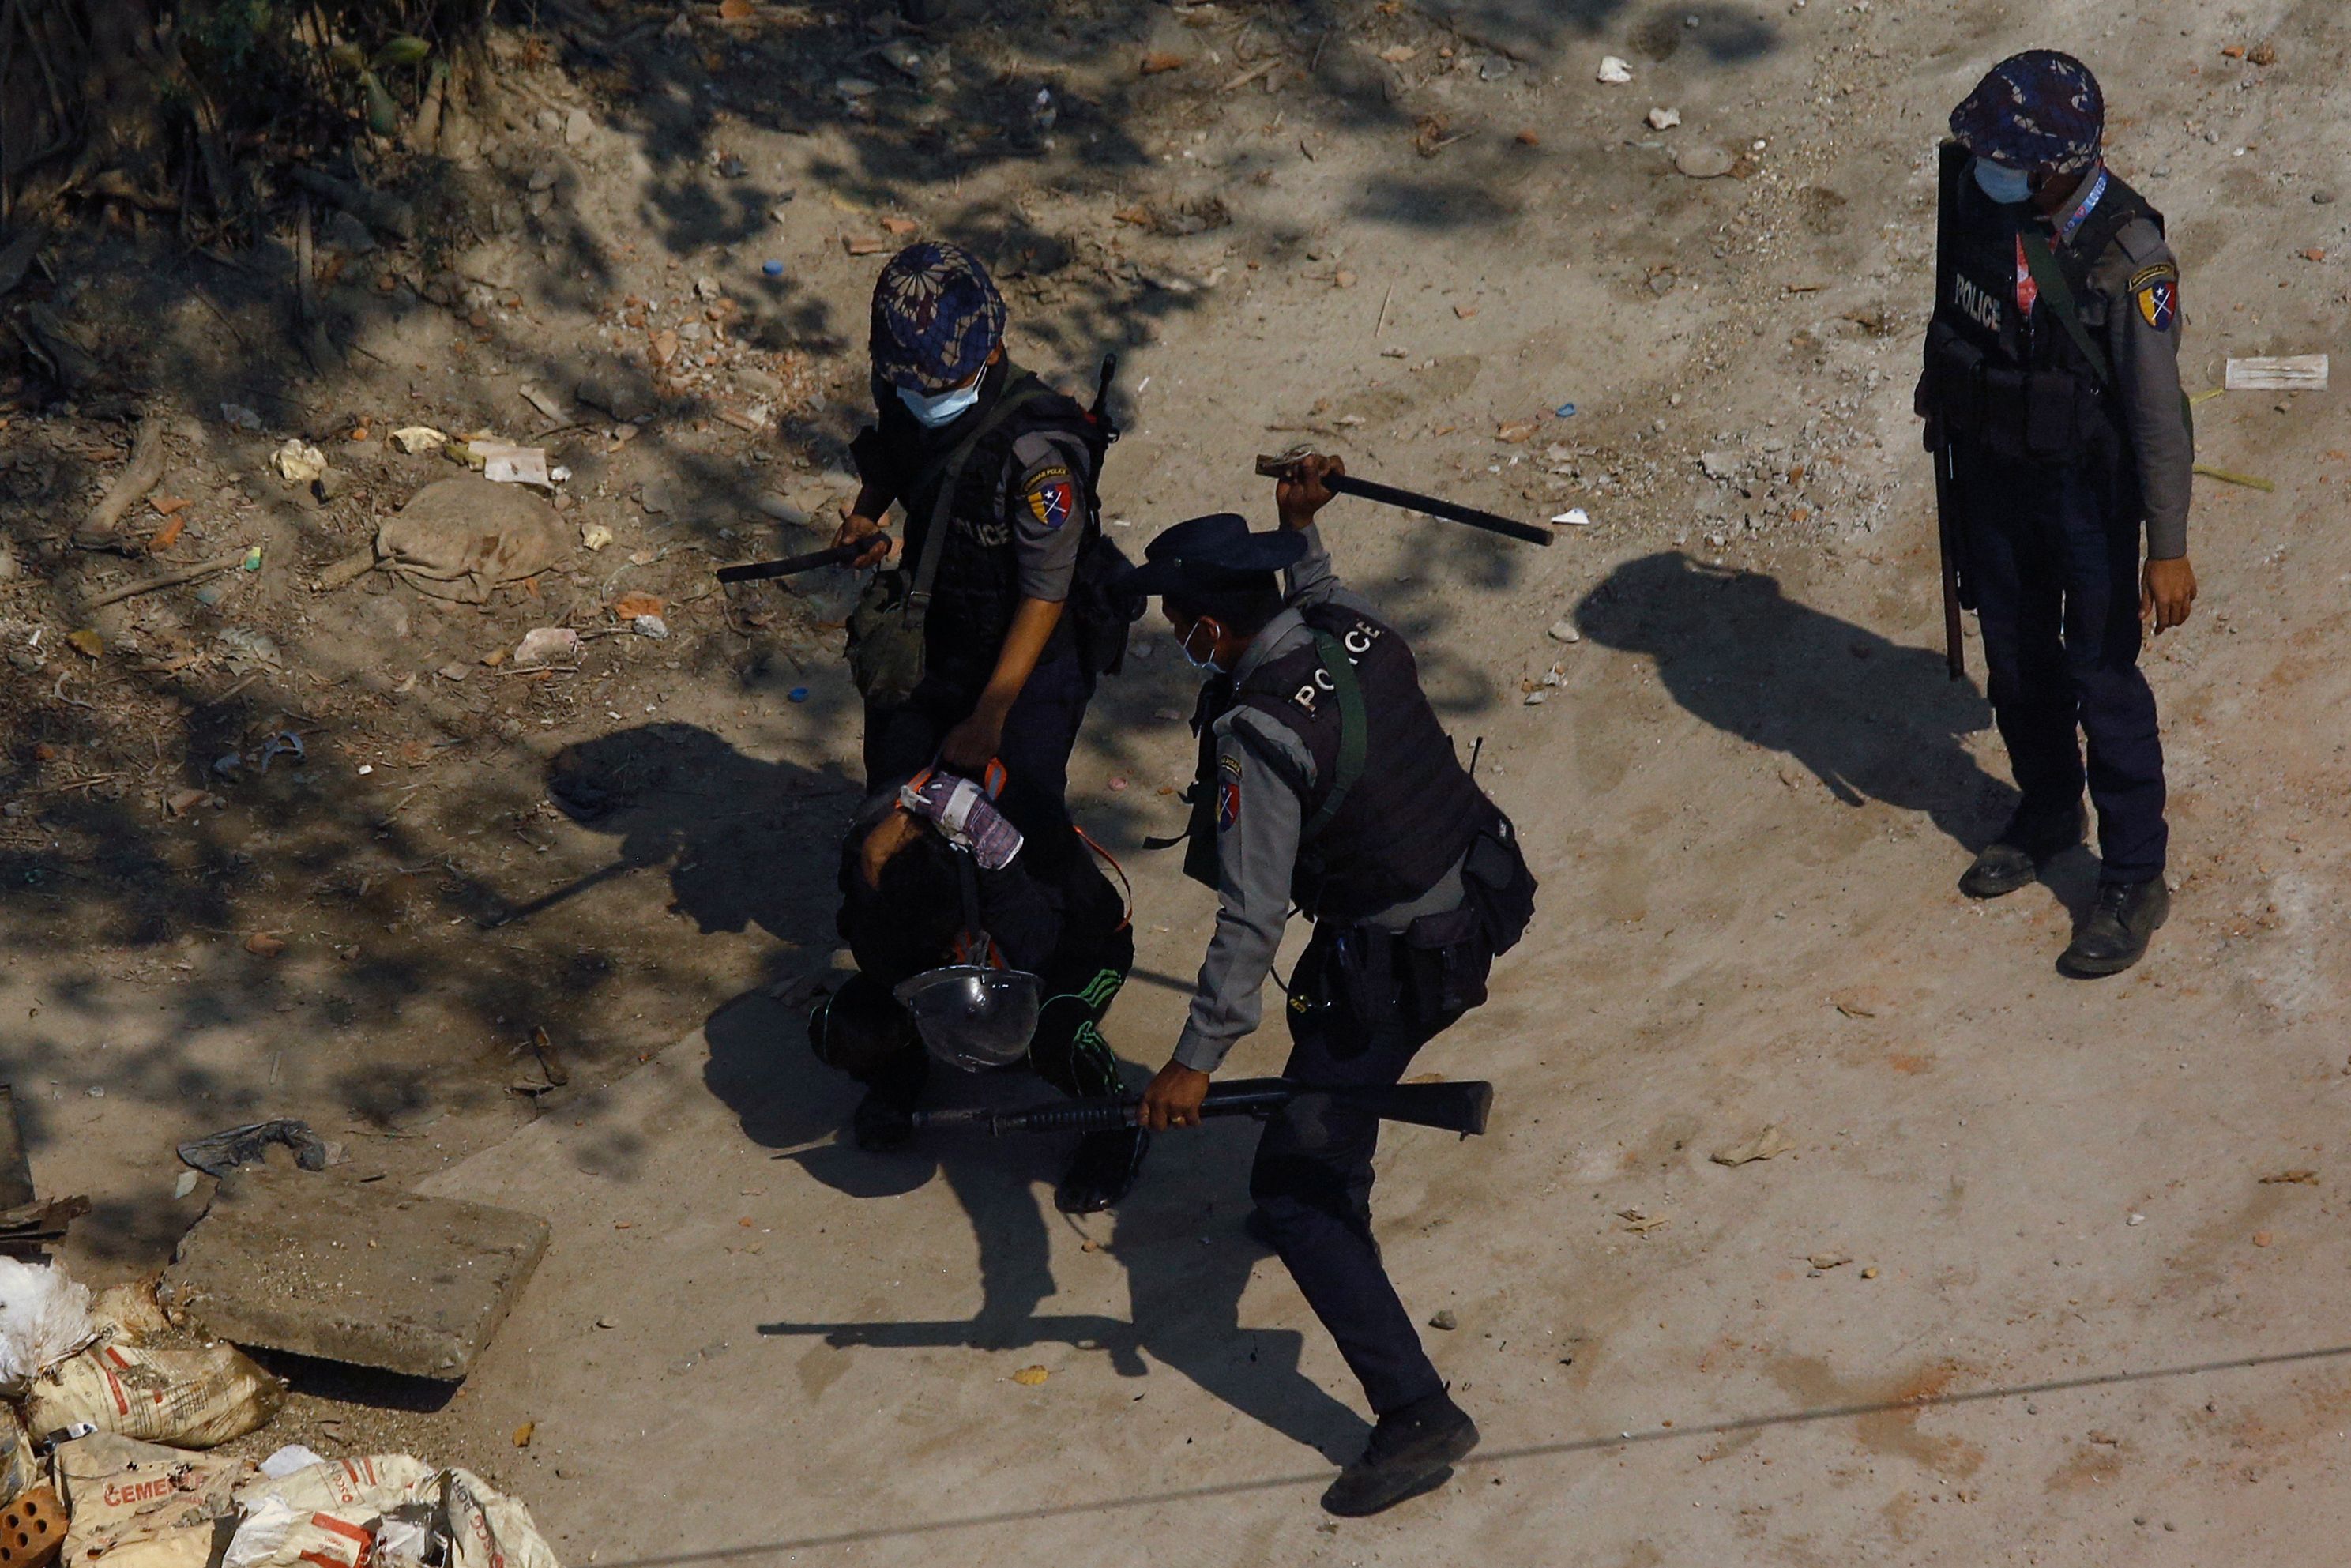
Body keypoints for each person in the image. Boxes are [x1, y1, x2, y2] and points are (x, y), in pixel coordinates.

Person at [1118, 457, 1537, 1517]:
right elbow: (1319, 587)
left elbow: (1252, 918)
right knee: (1326, 1093)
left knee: (1293, 1192)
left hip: (1401, 964)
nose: (1179, 638)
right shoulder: (1359, 631)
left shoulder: (1259, 731)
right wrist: (1300, 526)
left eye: (1182, 621)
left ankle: (1415, 1412)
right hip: (1478, 894)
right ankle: (1335, 1164)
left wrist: (1192, 1062)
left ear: (1214, 628)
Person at [1918, 50, 2197, 976]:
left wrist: (2168, 547)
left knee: (2102, 679)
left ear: (2066, 161)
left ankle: (2132, 876)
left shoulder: (2127, 254)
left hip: (2088, 496)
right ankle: (2045, 810)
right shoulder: (1974, 195)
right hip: (1995, 479)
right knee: (2018, 661)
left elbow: (2160, 413)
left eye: (2013, 158)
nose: (1992, 168)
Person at [836, 242, 1130, 874]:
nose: (921, 394)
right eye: (908, 383)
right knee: (891, 807)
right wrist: (867, 515)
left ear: (991, 351)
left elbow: (1046, 590)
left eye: (935, 384)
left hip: (1028, 662)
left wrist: (990, 714)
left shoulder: (1039, 459)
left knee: (1014, 831)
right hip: (939, 633)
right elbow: (896, 447)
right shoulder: (906, 378)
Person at [809, 767, 1148, 1214]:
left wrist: (1000, 887)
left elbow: (1037, 952)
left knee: (1054, 1031)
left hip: (1078, 953)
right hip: (958, 942)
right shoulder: (867, 867)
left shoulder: (1012, 846)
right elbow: (878, 963)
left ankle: (1115, 1127)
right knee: (848, 1026)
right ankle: (901, 1078)